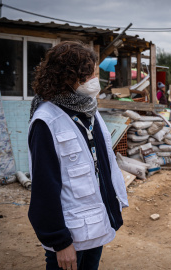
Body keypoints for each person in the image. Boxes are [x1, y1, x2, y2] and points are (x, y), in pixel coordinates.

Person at [28, 41, 128, 270]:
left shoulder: (88, 109)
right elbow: (44, 188)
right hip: (69, 237)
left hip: (95, 225)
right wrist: (60, 242)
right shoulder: (46, 120)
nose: (95, 80)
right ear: (69, 76)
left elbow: (102, 164)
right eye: (90, 75)